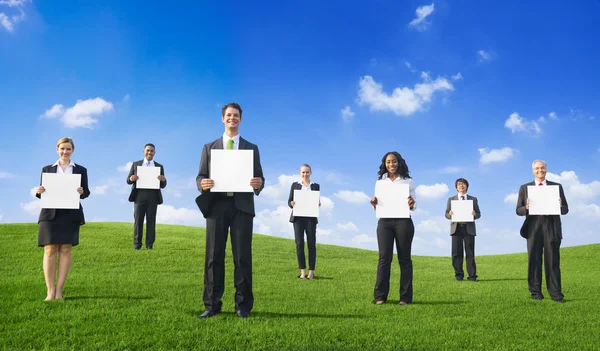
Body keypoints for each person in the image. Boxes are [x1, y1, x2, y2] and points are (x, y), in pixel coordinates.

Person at [195, 102, 264, 318]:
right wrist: (202, 184)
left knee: (242, 256)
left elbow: (260, 177)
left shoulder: (251, 148)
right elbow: (200, 176)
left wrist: (258, 183)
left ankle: (242, 306)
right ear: (222, 119)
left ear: (240, 119)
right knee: (213, 256)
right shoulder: (209, 147)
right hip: (217, 206)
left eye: (235, 115)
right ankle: (212, 305)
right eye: (228, 115)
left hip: (242, 206)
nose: (232, 118)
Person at [35, 137, 90, 301]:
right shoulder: (47, 169)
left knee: (66, 249)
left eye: (68, 149)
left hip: (70, 213)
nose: (65, 152)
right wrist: (39, 190)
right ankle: (50, 291)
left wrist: (82, 192)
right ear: (57, 149)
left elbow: (86, 192)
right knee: (50, 249)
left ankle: (59, 291)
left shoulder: (81, 170)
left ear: (72, 151)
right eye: (62, 149)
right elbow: (42, 193)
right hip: (50, 214)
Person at [516, 159, 568, 302]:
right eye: (537, 168)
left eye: (542, 168)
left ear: (546, 169)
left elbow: (565, 210)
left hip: (551, 225)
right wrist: (525, 207)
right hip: (533, 226)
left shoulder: (556, 187)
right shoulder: (525, 188)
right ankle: (535, 292)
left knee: (553, 261)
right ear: (533, 171)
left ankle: (556, 294)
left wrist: (560, 205)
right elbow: (518, 210)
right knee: (534, 260)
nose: (540, 170)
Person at [369, 151, 416, 306]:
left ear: (399, 162)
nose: (391, 165)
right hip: (385, 223)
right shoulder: (380, 182)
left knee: (404, 260)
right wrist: (374, 204)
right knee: (384, 259)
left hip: (403, 222)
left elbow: (414, 204)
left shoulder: (408, 181)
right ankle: (380, 296)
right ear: (385, 164)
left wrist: (412, 203)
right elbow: (378, 207)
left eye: (394, 161)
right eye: (388, 162)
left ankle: (405, 298)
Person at [126, 143, 167, 250]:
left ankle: (149, 245)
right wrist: (131, 178)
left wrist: (163, 180)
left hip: (153, 196)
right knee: (138, 220)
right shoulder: (136, 164)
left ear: (154, 153)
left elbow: (163, 185)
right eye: (148, 150)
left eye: (152, 151)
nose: (149, 152)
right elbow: (128, 180)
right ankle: (137, 244)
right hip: (139, 196)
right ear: (143, 151)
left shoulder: (159, 166)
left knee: (151, 221)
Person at [444, 178, 481, 281]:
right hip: (456, 228)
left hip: (468, 228)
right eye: (459, 184)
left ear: (467, 186)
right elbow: (446, 214)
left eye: (463, 184)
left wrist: (474, 215)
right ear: (456, 187)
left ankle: (472, 276)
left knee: (470, 253)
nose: (461, 186)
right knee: (456, 253)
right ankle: (459, 275)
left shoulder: (473, 199)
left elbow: (479, 214)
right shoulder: (451, 199)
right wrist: (450, 214)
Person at [288, 164, 320, 280]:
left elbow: (317, 201)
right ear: (300, 173)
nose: (305, 174)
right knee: (299, 244)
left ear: (310, 172)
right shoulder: (295, 185)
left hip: (310, 218)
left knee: (311, 244)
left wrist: (318, 204)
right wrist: (291, 204)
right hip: (298, 218)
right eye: (303, 172)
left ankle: (311, 272)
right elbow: (289, 201)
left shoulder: (315, 186)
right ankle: (302, 271)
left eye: (307, 172)